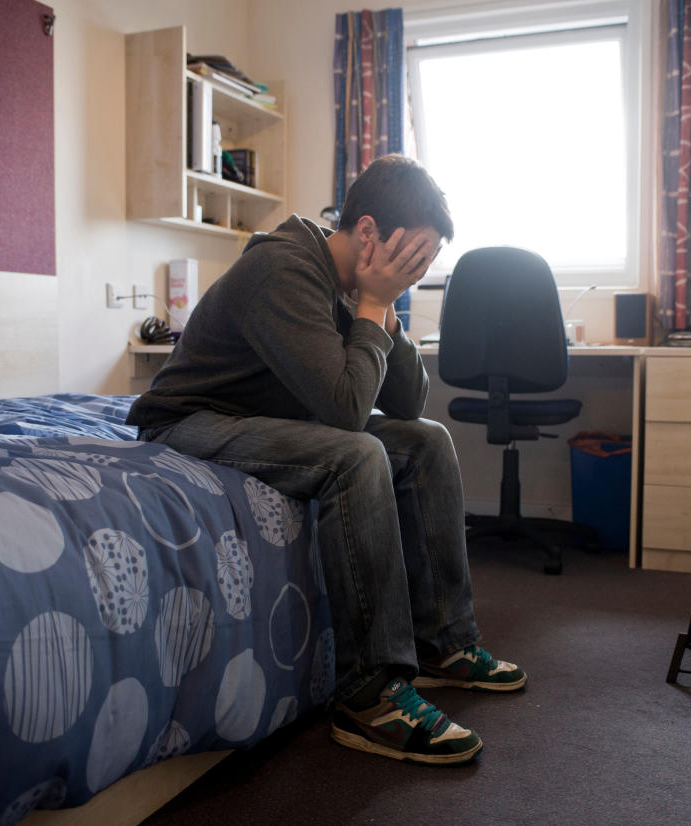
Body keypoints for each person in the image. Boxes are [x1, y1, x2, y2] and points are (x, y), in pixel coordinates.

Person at [127, 154, 525, 766]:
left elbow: (407, 401)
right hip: (193, 419)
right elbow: (344, 412)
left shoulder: (357, 286)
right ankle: (370, 694)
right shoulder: (282, 270)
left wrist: (385, 308)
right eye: (413, 257)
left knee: (426, 440)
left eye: (425, 263)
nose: (417, 271)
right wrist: (371, 307)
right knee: (357, 455)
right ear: (369, 233)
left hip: (271, 417)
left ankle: (444, 644)